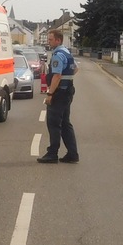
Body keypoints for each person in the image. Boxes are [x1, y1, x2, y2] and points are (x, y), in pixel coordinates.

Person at [38, 29, 78, 164]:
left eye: (50, 40)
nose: (48, 42)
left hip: (59, 93)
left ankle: (52, 154)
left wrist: (50, 94)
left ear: (58, 40)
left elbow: (57, 75)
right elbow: (76, 69)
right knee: (65, 123)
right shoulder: (67, 53)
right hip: (68, 91)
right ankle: (72, 154)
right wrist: (68, 79)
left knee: (54, 123)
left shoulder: (58, 55)